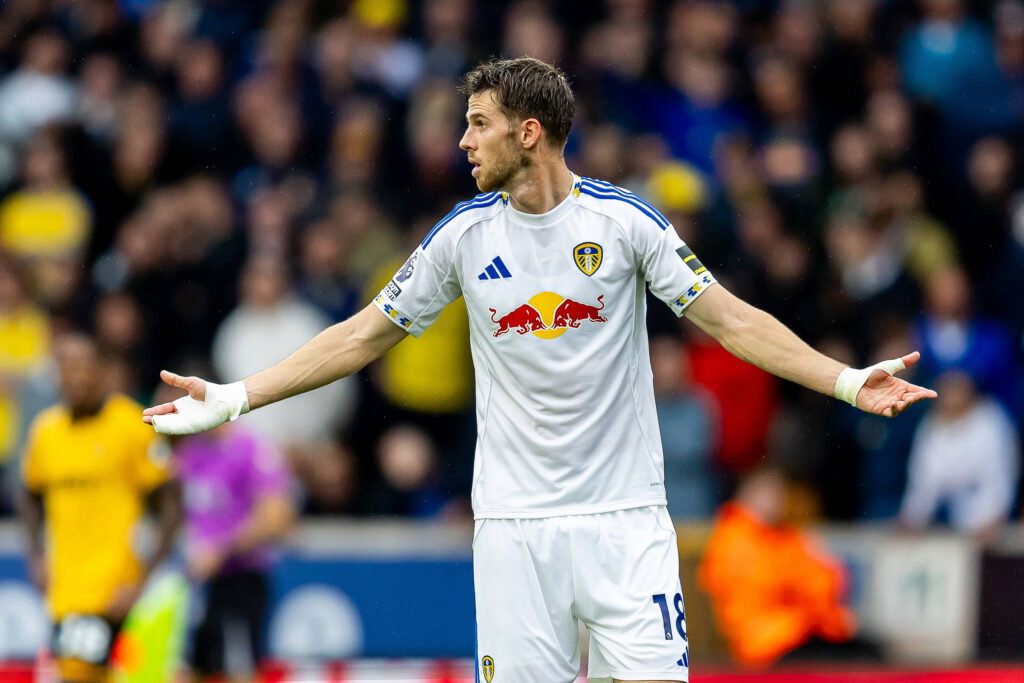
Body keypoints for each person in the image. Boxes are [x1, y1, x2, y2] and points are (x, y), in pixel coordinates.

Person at [143, 58, 936, 683]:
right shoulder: (461, 237)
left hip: (626, 520)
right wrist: (237, 396)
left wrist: (841, 378)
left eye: (477, 124)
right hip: (515, 529)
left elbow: (729, 319)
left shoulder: (624, 223)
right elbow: (359, 337)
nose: (462, 141)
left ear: (528, 132)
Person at [20, 333, 181, 683]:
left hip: (120, 589)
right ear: (56, 376)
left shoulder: (130, 425)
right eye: (66, 367)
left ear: (102, 372)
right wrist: (36, 556)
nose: (75, 376)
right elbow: (30, 494)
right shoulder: (46, 432)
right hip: (68, 592)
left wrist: (145, 575)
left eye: (83, 366)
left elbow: (170, 501)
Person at [697, 468, 858, 668]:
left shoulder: (788, 536)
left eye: (779, 493)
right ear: (746, 495)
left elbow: (824, 587)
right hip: (764, 642)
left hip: (801, 631)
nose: (776, 500)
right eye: (767, 492)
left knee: (866, 653)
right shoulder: (732, 540)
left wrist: (822, 564)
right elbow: (761, 589)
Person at [174, 421, 295, 682]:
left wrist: (222, 550)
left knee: (241, 669)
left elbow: (278, 516)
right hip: (198, 583)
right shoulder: (188, 452)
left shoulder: (251, 448)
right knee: (189, 668)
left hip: (242, 579)